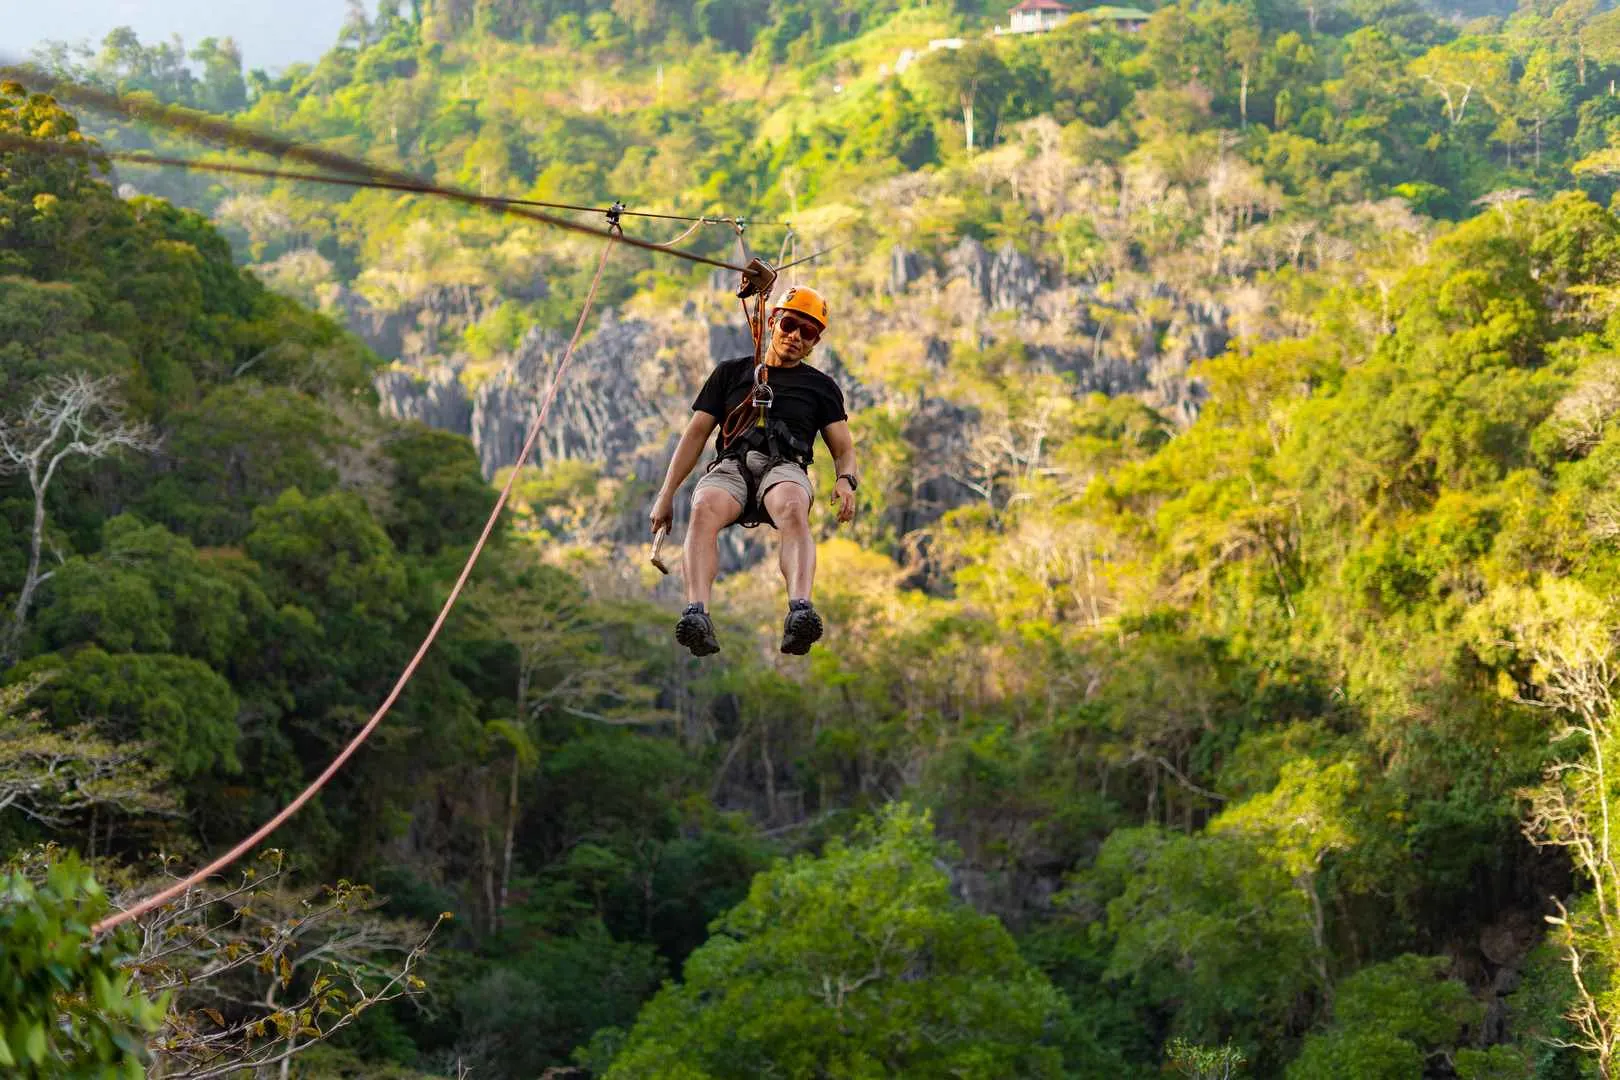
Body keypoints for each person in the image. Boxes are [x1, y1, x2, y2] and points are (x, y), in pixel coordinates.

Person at [649, 283, 858, 657]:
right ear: (774, 321)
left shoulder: (820, 387)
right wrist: (666, 495)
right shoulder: (732, 374)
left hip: (784, 468)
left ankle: (800, 612)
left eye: (807, 333)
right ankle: (697, 613)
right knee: (703, 507)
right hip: (732, 466)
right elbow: (695, 434)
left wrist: (846, 480)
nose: (795, 337)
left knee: (793, 505)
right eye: (791, 325)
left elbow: (843, 449)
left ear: (814, 343)